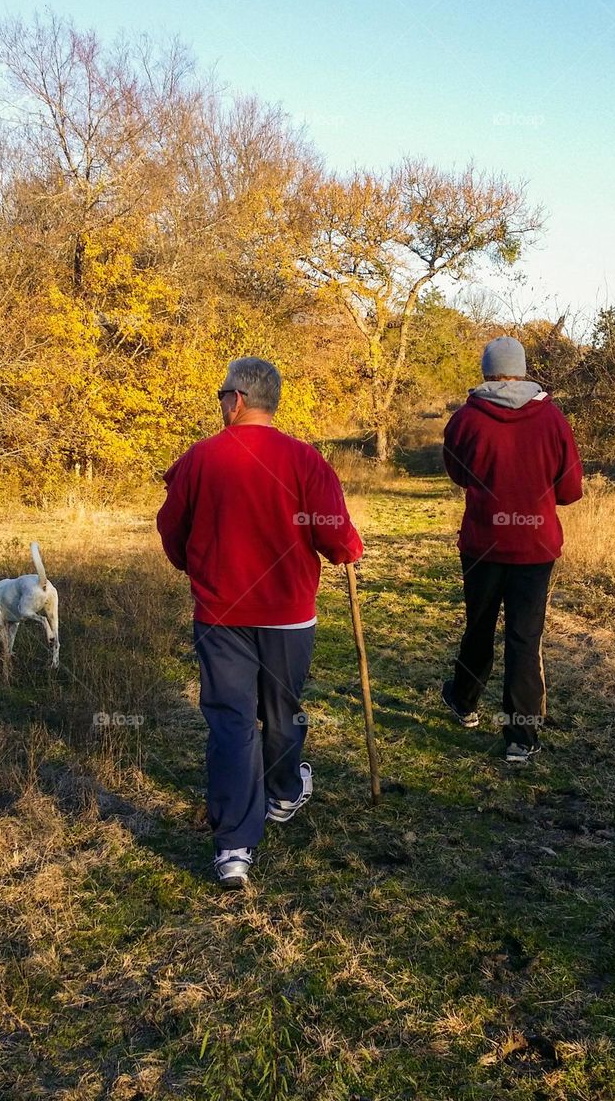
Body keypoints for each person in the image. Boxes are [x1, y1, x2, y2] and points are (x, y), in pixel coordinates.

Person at [156, 357, 363, 887]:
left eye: (222, 394)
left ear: (239, 400)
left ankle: (234, 847)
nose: (221, 403)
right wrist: (348, 549)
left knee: (231, 720)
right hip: (288, 615)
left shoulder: (200, 458)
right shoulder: (305, 460)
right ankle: (284, 793)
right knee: (282, 708)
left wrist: (195, 566)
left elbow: (172, 529)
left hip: (222, 614)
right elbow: (335, 534)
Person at [441, 336, 582, 764]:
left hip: (482, 544)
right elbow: (571, 490)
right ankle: (521, 737)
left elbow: (456, 473)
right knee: (525, 637)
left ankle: (464, 702)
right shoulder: (552, 419)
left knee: (479, 626)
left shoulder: (465, 419)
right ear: (522, 371)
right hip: (535, 548)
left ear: (486, 371)